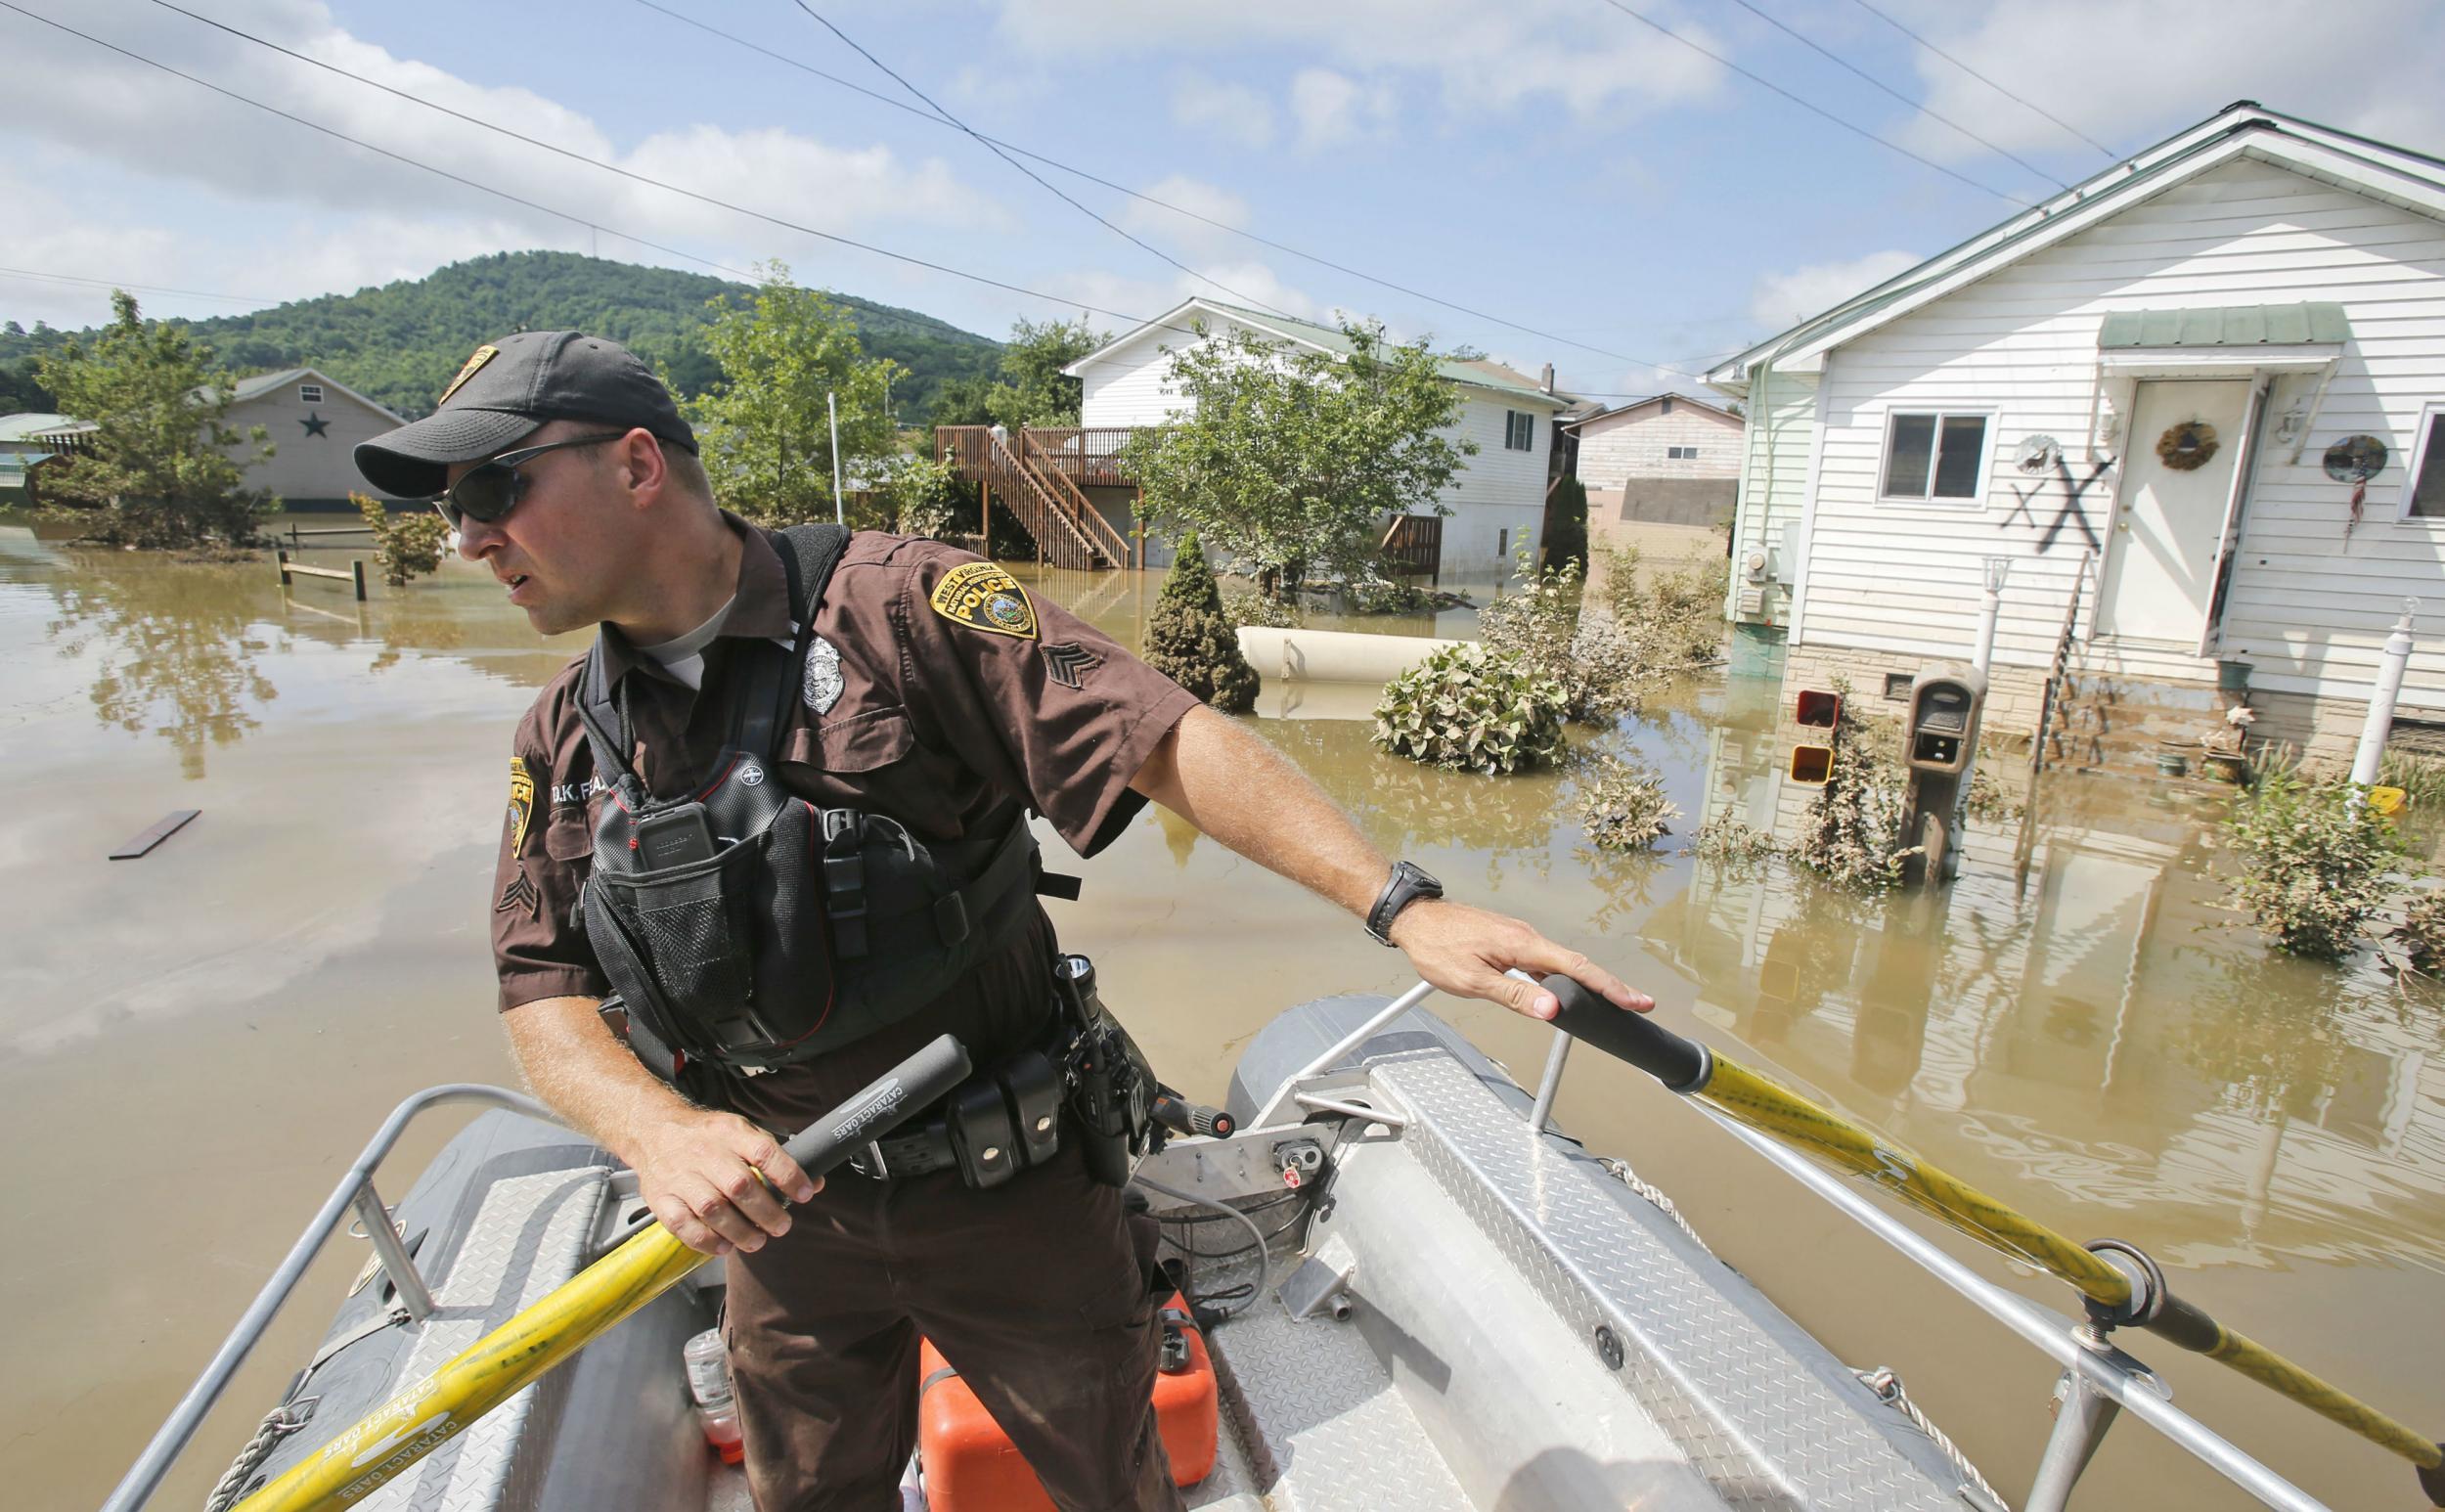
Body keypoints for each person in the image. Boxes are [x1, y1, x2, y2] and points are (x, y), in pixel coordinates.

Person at [355, 331, 1652, 1512]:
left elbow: (1163, 738)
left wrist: (1400, 902)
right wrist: (658, 1130)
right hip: (784, 1234)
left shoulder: (901, 609)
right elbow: (544, 989)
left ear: (636, 463)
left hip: (1017, 1199)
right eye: (449, 508)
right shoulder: (565, 742)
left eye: (489, 491)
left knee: (1110, 1483)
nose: (467, 537)